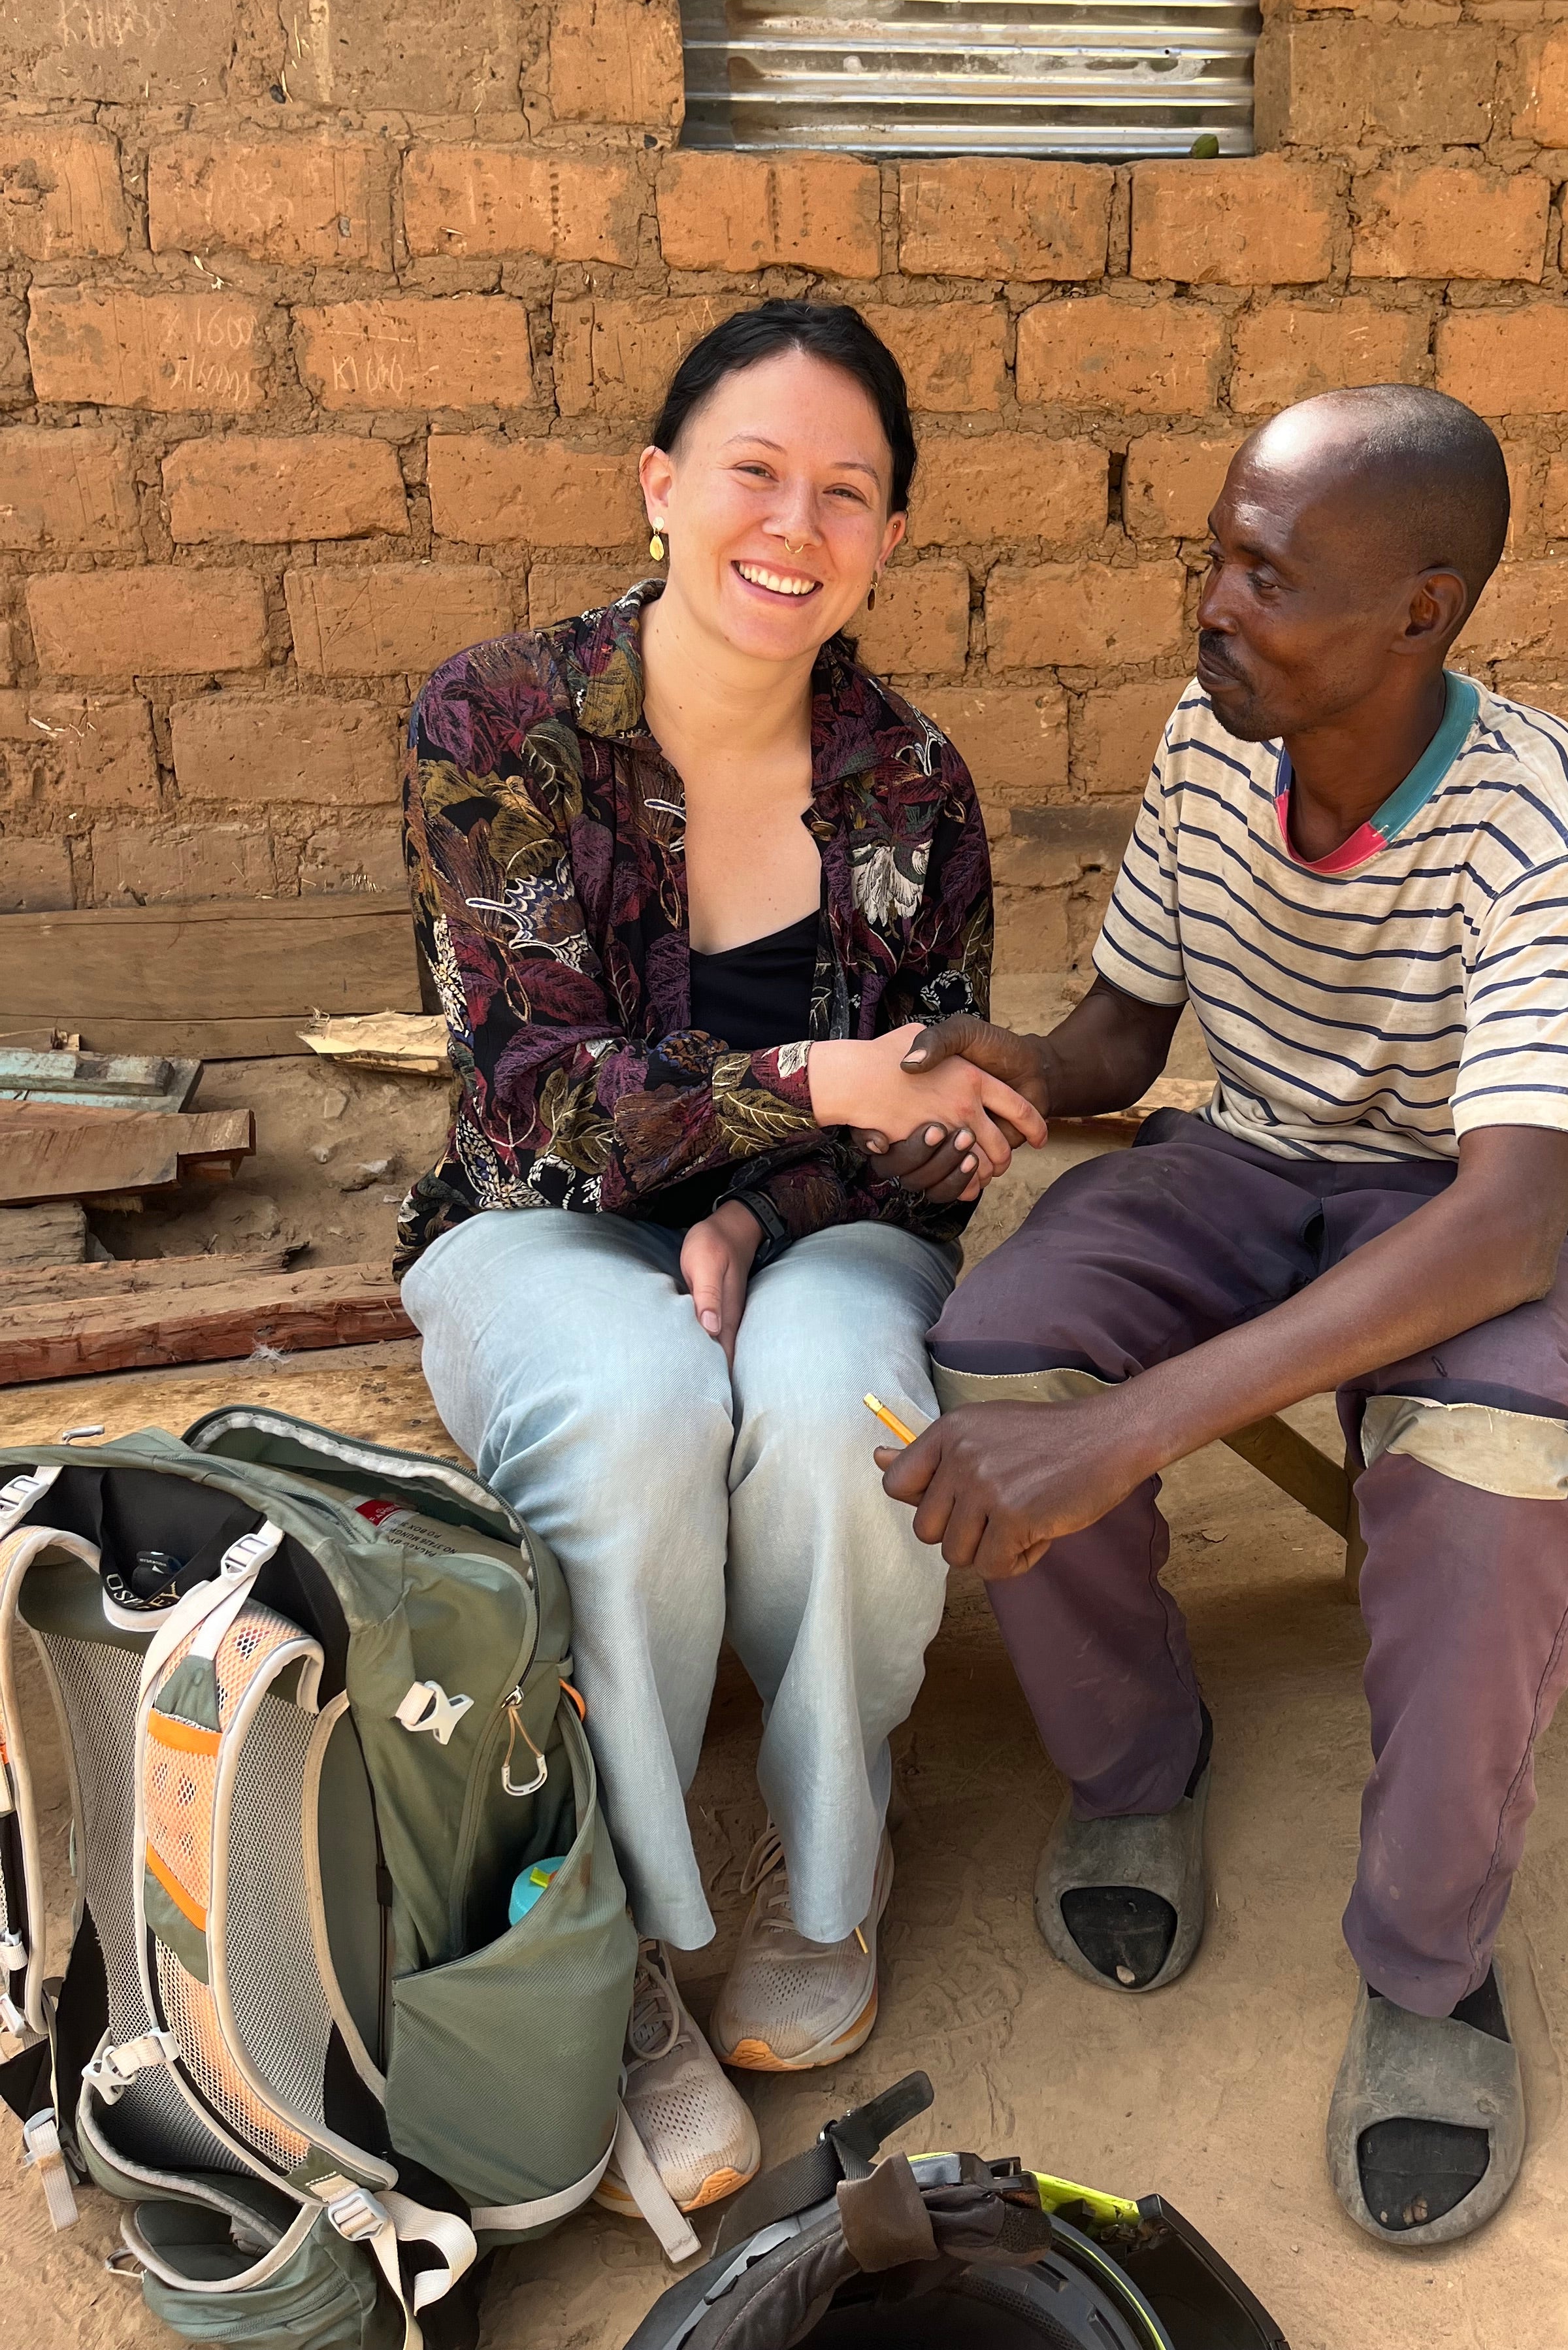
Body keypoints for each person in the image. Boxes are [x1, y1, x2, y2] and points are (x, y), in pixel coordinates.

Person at [874, 384, 1568, 2248]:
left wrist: (1131, 1431)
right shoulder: (1215, 741)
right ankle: (1139, 1771)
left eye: (1267, 576)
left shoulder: (1542, 806)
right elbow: (1130, 1030)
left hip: (1457, 1205)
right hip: (1243, 1160)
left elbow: (1512, 1221)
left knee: (1499, 1469)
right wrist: (1028, 1064)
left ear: (1420, 611)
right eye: (1215, 556)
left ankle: (1431, 1967)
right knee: (1002, 1358)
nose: (1214, 603)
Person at [395, 301, 1045, 2226]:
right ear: (661, 486)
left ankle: (825, 1879)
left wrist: (771, 1204)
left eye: (848, 492)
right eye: (755, 470)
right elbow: (536, 1091)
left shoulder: (911, 784)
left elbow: (931, 1142)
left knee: (843, 1413)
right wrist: (817, 1081)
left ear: (890, 539)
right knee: (635, 1412)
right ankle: (615, 1944)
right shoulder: (498, 723)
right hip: (539, 1212)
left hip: (821, 1222)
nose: (795, 523)